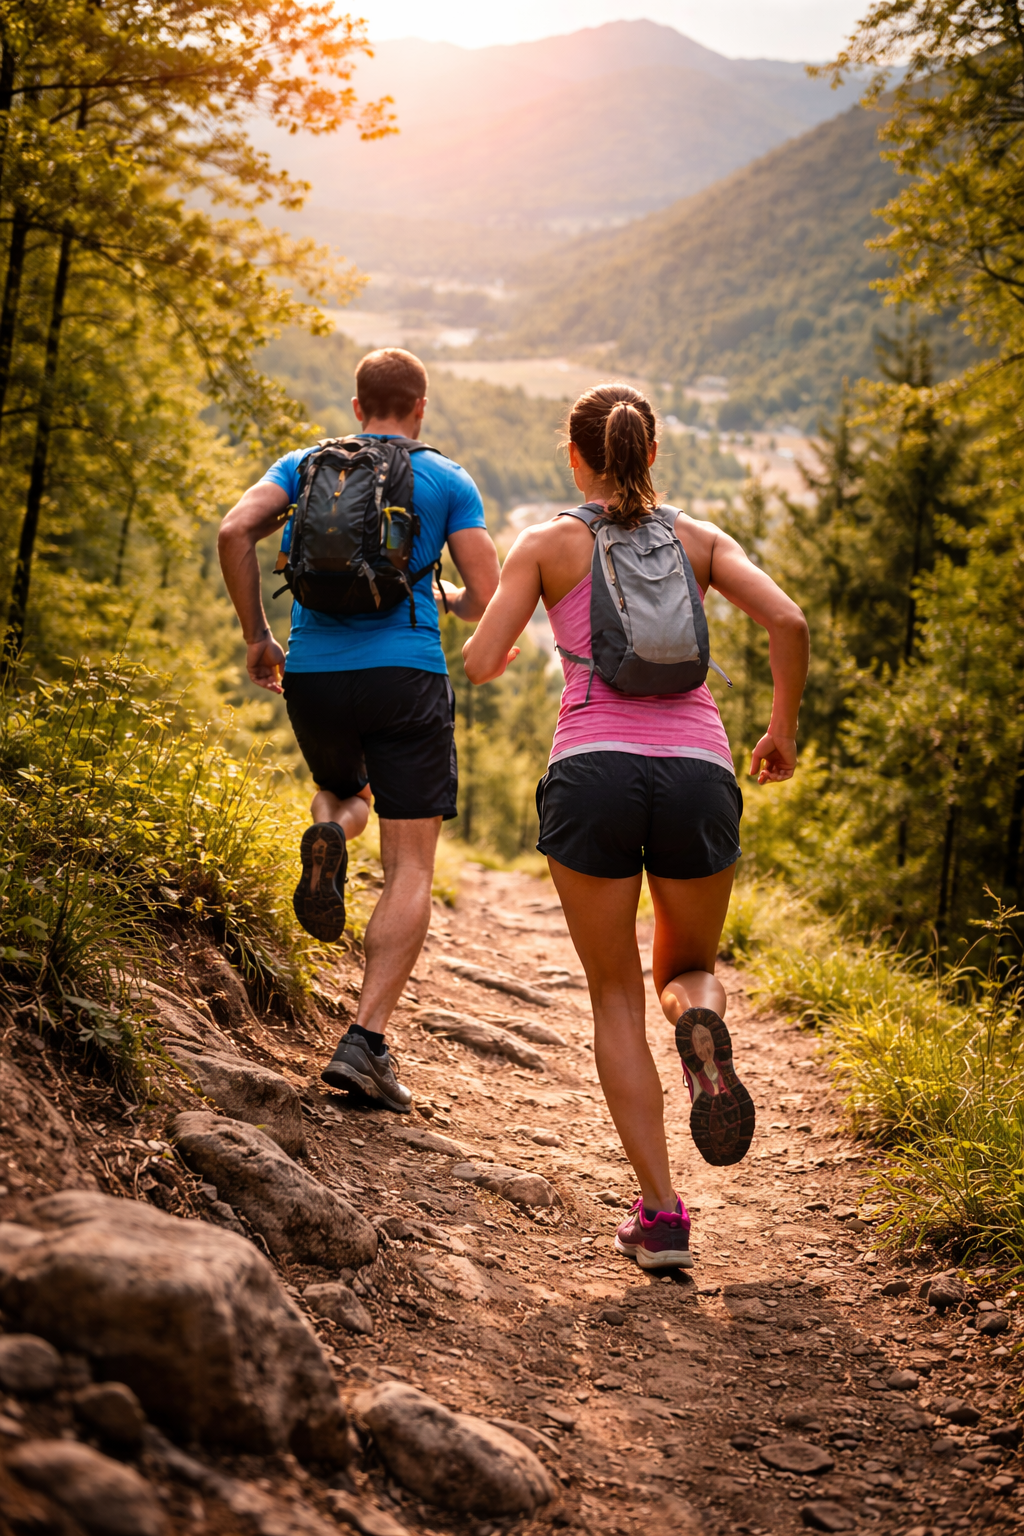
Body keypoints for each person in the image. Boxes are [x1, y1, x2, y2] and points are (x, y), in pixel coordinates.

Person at [463, 384, 808, 1268]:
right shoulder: (699, 539)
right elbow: (788, 620)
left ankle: (661, 1216)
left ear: (575, 457)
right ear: (649, 454)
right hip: (698, 771)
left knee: (615, 990)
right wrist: (780, 730)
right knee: (686, 967)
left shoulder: (545, 543)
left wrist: (502, 641)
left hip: (591, 774)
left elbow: (480, 661)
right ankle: (700, 1027)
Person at [218, 347, 500, 1113]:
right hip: (404, 678)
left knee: (342, 792)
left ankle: (331, 837)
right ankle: (364, 1041)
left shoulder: (304, 465)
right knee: (410, 867)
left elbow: (233, 531)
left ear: (356, 407)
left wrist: (257, 636)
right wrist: (440, 594)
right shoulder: (445, 478)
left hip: (312, 671)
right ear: (420, 407)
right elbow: (488, 593)